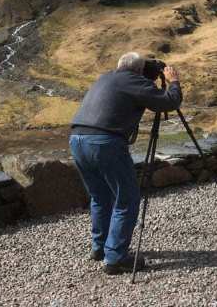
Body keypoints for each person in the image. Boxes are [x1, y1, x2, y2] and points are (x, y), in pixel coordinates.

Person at [69, 52, 182, 275]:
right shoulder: (135, 81)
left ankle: (99, 247)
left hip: (77, 139)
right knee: (126, 198)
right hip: (105, 143)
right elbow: (169, 102)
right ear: (139, 71)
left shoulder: (105, 78)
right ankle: (116, 258)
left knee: (100, 196)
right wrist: (174, 82)